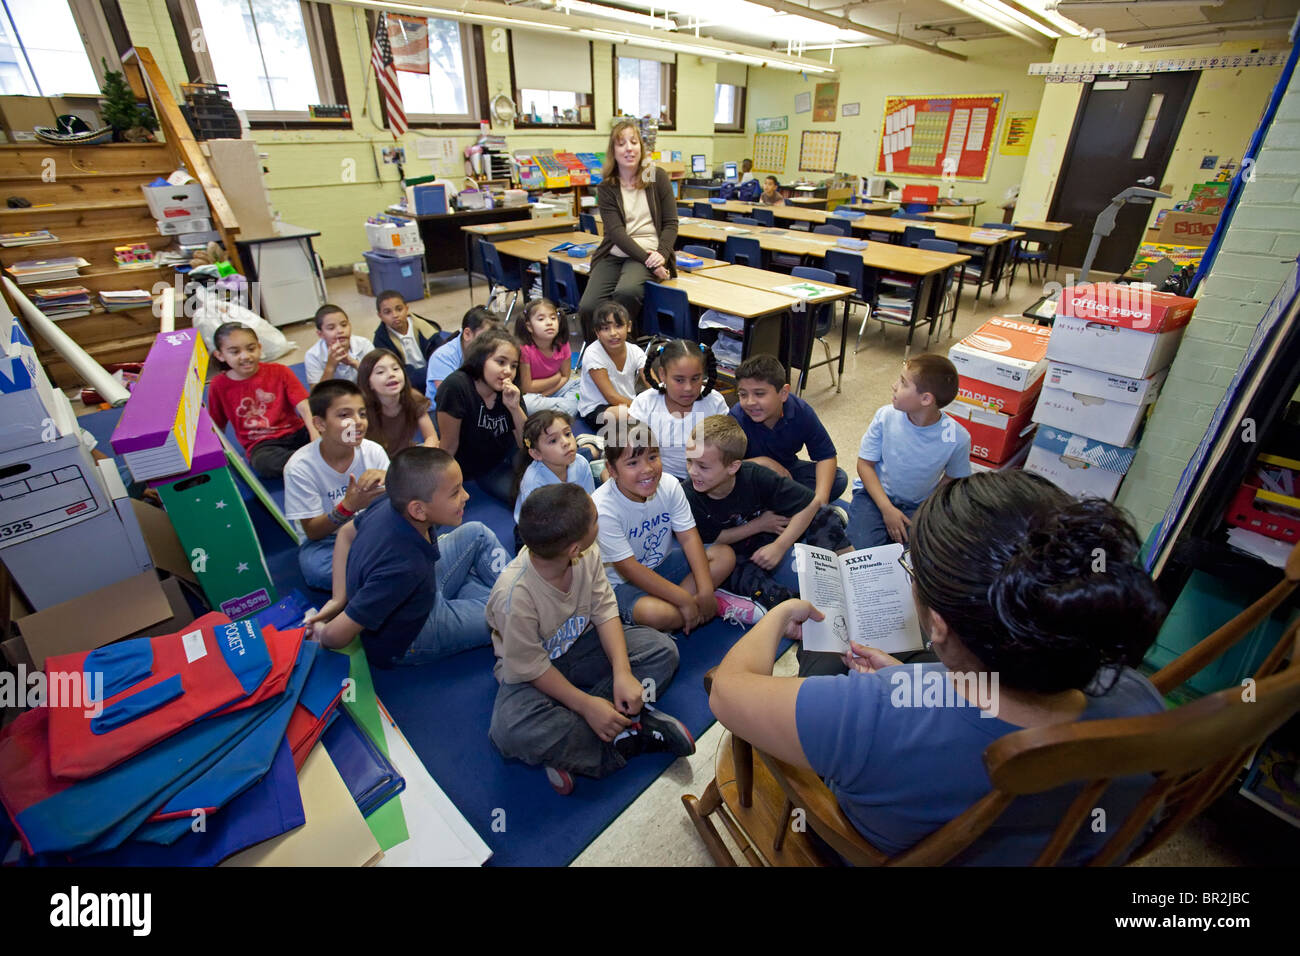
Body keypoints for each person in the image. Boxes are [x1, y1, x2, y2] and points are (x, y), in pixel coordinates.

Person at [708, 470, 1169, 866]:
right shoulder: (1138, 696)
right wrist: (906, 679)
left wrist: (776, 615)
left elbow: (726, 692)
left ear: (940, 628)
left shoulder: (870, 713)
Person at [487, 483, 693, 796]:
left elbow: (604, 608)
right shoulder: (513, 596)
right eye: (595, 520)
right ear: (572, 548)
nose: (599, 525)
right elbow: (532, 667)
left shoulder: (586, 553)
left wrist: (622, 672)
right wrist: (585, 705)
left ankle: (574, 743)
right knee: (509, 731)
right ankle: (625, 736)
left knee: (662, 650)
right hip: (533, 674)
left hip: (583, 645)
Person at [306, 446, 509, 666]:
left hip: (420, 590)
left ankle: (499, 592)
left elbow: (345, 534)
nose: (466, 495)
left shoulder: (390, 501)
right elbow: (335, 636)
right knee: (512, 613)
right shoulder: (402, 568)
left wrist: (338, 598)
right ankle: (505, 597)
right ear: (418, 510)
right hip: (415, 634)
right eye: (455, 492)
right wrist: (321, 632)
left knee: (477, 532)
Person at [592, 417, 763, 635]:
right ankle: (688, 609)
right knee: (660, 615)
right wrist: (684, 599)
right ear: (612, 470)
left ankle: (693, 607)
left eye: (653, 457)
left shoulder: (669, 485)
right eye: (633, 463)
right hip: (621, 586)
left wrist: (704, 589)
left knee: (724, 556)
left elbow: (689, 538)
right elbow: (630, 569)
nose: (647, 469)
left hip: (662, 566)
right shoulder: (603, 509)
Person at [684, 415, 851, 610]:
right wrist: (760, 524)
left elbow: (809, 504)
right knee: (747, 580)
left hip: (769, 534)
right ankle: (796, 611)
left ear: (733, 467)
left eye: (702, 466)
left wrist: (780, 546)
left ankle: (851, 569)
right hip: (734, 553)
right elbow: (714, 541)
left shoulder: (755, 474)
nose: (692, 472)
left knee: (823, 515)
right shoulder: (689, 495)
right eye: (689, 462)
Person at [848, 354, 971, 550]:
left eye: (903, 383)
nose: (894, 386)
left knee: (916, 558)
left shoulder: (957, 437)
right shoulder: (886, 416)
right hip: (874, 496)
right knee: (861, 555)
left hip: (918, 506)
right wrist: (887, 509)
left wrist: (926, 510)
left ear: (926, 399)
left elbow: (953, 479)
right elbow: (865, 464)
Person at [283, 380, 390, 591]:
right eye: (344, 415)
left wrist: (390, 478)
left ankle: (372, 575)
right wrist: (348, 506)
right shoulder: (299, 467)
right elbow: (313, 532)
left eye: (362, 413)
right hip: (327, 542)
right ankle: (387, 571)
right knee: (315, 568)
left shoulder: (373, 451)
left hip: (373, 528)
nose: (358, 422)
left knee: (425, 512)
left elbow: (398, 504)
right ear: (320, 424)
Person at [578, 118, 678, 331]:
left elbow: (671, 222)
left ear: (641, 147)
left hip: (650, 251)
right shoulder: (607, 186)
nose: (629, 149)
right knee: (588, 306)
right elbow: (616, 233)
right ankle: (598, 356)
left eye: (634, 142)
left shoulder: (655, 176)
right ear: (613, 151)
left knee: (626, 292)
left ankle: (625, 350)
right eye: (622, 143)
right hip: (618, 253)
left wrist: (661, 254)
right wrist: (652, 262)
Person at [730, 353, 848, 508]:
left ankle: (790, 507)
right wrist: (763, 463)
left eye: (759, 394)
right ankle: (788, 508)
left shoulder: (801, 410)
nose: (750, 402)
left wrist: (820, 502)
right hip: (750, 477)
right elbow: (723, 466)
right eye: (743, 394)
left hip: (787, 472)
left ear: (784, 393)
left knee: (838, 478)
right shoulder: (736, 417)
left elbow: (826, 456)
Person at [206, 322, 316, 478]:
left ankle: (308, 460)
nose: (245, 356)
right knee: (264, 463)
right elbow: (217, 426)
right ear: (220, 355)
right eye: (235, 352)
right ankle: (312, 461)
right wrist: (217, 458)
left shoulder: (280, 371)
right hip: (263, 445)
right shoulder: (218, 386)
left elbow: (304, 406)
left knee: (332, 429)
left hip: (297, 433)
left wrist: (315, 434)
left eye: (251, 349)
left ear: (259, 347)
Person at [434, 326, 528, 505]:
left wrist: (515, 408)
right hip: (483, 466)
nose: (508, 371)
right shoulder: (456, 387)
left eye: (513, 366)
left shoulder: (509, 388)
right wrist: (442, 490)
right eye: (501, 362)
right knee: (525, 499)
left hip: (509, 450)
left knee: (548, 480)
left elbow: (526, 443)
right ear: (481, 359)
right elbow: (449, 446)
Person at [628, 339, 728, 481]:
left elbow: (724, 453)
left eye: (695, 378)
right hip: (657, 480)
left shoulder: (715, 403)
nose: (688, 388)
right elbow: (632, 455)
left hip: (706, 479)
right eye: (679, 380)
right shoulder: (645, 404)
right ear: (662, 375)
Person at [511, 410, 595, 526]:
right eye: (553, 441)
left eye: (567, 434)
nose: (566, 442)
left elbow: (589, 500)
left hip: (574, 516)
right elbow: (540, 527)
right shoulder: (533, 484)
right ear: (536, 454)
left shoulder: (581, 463)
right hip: (541, 529)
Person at [578, 301, 646, 432]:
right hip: (597, 410)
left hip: (627, 404)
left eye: (619, 326)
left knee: (639, 417)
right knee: (633, 417)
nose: (613, 333)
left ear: (629, 326)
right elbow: (611, 396)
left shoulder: (635, 350)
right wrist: (642, 408)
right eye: (605, 328)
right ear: (597, 333)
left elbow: (650, 380)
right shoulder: (593, 353)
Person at [357, 348, 438, 455]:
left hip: (405, 461)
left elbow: (431, 436)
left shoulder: (413, 397)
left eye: (395, 369)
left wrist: (420, 458)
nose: (391, 374)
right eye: (381, 372)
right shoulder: (360, 409)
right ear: (368, 383)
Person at [514, 297, 579, 415]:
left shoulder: (562, 344)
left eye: (553, 318)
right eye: (541, 319)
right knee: (526, 403)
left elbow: (566, 377)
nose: (549, 322)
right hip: (532, 395)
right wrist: (556, 378)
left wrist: (546, 396)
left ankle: (556, 409)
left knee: (580, 383)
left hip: (556, 390)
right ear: (529, 326)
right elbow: (527, 386)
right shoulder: (525, 350)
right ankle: (565, 409)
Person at [371, 290, 441, 395]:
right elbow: (393, 370)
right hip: (407, 380)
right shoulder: (381, 340)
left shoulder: (425, 327)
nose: (395, 315)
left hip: (433, 371)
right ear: (380, 316)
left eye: (399, 309)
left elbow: (440, 352)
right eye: (387, 312)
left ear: (407, 309)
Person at [425, 305, 499, 401]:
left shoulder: (488, 350)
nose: (490, 343)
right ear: (467, 334)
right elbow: (450, 399)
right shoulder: (441, 357)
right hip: (441, 411)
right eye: (485, 338)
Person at [304, 305, 372, 386]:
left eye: (344, 325)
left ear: (350, 325)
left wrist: (354, 363)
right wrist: (330, 366)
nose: (340, 331)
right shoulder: (312, 355)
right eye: (331, 328)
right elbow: (316, 394)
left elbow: (378, 380)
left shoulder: (364, 344)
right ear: (320, 334)